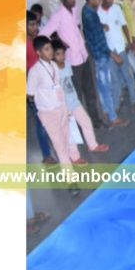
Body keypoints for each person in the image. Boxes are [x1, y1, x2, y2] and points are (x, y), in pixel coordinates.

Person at [42, 0, 104, 129]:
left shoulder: (75, 9)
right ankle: (80, 126)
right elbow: (43, 35)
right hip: (72, 62)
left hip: (83, 55)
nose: (73, 0)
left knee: (90, 91)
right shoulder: (58, 16)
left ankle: (96, 120)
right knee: (76, 96)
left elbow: (76, 26)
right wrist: (58, 42)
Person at [51, 37, 109, 160]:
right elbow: (55, 92)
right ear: (53, 56)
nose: (62, 56)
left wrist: (76, 99)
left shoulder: (67, 65)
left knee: (86, 122)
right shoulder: (53, 71)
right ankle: (75, 156)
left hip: (74, 101)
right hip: (64, 106)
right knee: (71, 131)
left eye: (63, 53)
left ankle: (92, 145)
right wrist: (64, 109)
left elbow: (70, 84)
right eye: (58, 54)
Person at [81, 0, 128, 128]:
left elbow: (91, 30)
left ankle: (107, 111)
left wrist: (101, 25)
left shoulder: (86, 9)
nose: (100, 1)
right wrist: (113, 55)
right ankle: (113, 118)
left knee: (102, 86)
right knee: (106, 86)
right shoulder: (91, 15)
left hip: (95, 54)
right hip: (101, 55)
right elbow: (100, 41)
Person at [26, 36, 71, 167]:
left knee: (66, 140)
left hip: (61, 107)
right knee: (59, 145)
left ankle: (68, 166)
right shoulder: (35, 71)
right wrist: (42, 103)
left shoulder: (54, 65)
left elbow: (58, 85)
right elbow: (30, 94)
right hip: (48, 112)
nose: (50, 51)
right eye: (46, 49)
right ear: (38, 52)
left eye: (50, 48)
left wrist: (65, 107)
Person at [98, 0, 135, 112]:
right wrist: (101, 26)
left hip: (121, 47)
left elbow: (124, 25)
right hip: (110, 51)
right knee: (115, 80)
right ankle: (116, 105)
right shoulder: (98, 13)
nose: (111, 1)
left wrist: (128, 42)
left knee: (128, 76)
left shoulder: (116, 8)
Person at [26, 10, 56, 163]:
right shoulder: (23, 45)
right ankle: (46, 154)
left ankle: (58, 143)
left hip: (48, 84)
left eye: (36, 24)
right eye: (31, 25)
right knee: (41, 120)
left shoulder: (39, 39)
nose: (35, 27)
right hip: (35, 87)